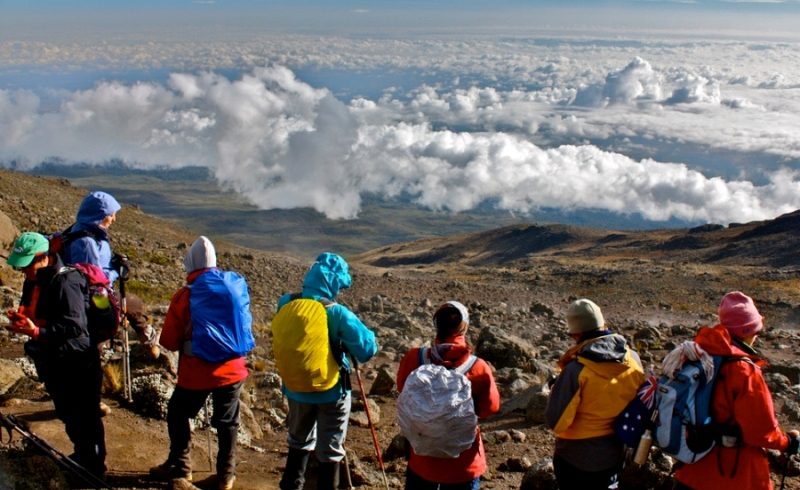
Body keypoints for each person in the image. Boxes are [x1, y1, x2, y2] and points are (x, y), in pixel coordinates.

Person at [673, 291, 800, 490]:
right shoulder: (743, 370)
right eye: (756, 330)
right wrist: (788, 442)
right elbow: (760, 431)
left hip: (692, 465)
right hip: (733, 474)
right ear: (747, 331)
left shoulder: (697, 356)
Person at [150, 236, 249, 490]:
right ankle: (226, 475)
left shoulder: (185, 296)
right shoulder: (234, 289)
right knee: (227, 422)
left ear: (190, 263)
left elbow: (169, 341)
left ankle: (181, 466)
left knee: (178, 413)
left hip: (197, 371)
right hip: (233, 369)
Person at [5, 232, 106, 476]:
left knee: (85, 416)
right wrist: (23, 320)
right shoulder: (34, 279)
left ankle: (94, 465)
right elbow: (32, 308)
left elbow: (75, 326)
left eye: (26, 265)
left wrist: (36, 331)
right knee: (67, 412)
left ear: (43, 257)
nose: (23, 272)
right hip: (53, 358)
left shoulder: (67, 281)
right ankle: (82, 456)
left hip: (77, 360)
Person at [276, 252, 378, 490]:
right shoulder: (337, 313)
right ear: (335, 283)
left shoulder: (286, 303)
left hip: (296, 387)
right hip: (331, 391)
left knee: (298, 441)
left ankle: (292, 485)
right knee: (331, 449)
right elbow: (367, 349)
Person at [396, 300, 501, 490]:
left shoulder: (414, 358)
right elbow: (490, 408)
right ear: (465, 327)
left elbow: (402, 389)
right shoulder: (478, 367)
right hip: (463, 464)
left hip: (422, 460)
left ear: (437, 325)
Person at [545, 298, 644, 490]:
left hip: (576, 457)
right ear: (602, 324)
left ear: (576, 333)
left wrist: (556, 391)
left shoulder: (576, 370)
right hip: (618, 448)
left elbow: (556, 422)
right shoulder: (633, 359)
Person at [64, 190, 159, 359]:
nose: (114, 219)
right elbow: (93, 279)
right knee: (131, 304)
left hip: (90, 294)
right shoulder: (86, 242)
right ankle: (149, 341)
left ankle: (143, 340)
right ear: (99, 214)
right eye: (111, 214)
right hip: (93, 297)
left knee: (125, 307)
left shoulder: (86, 231)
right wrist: (116, 271)